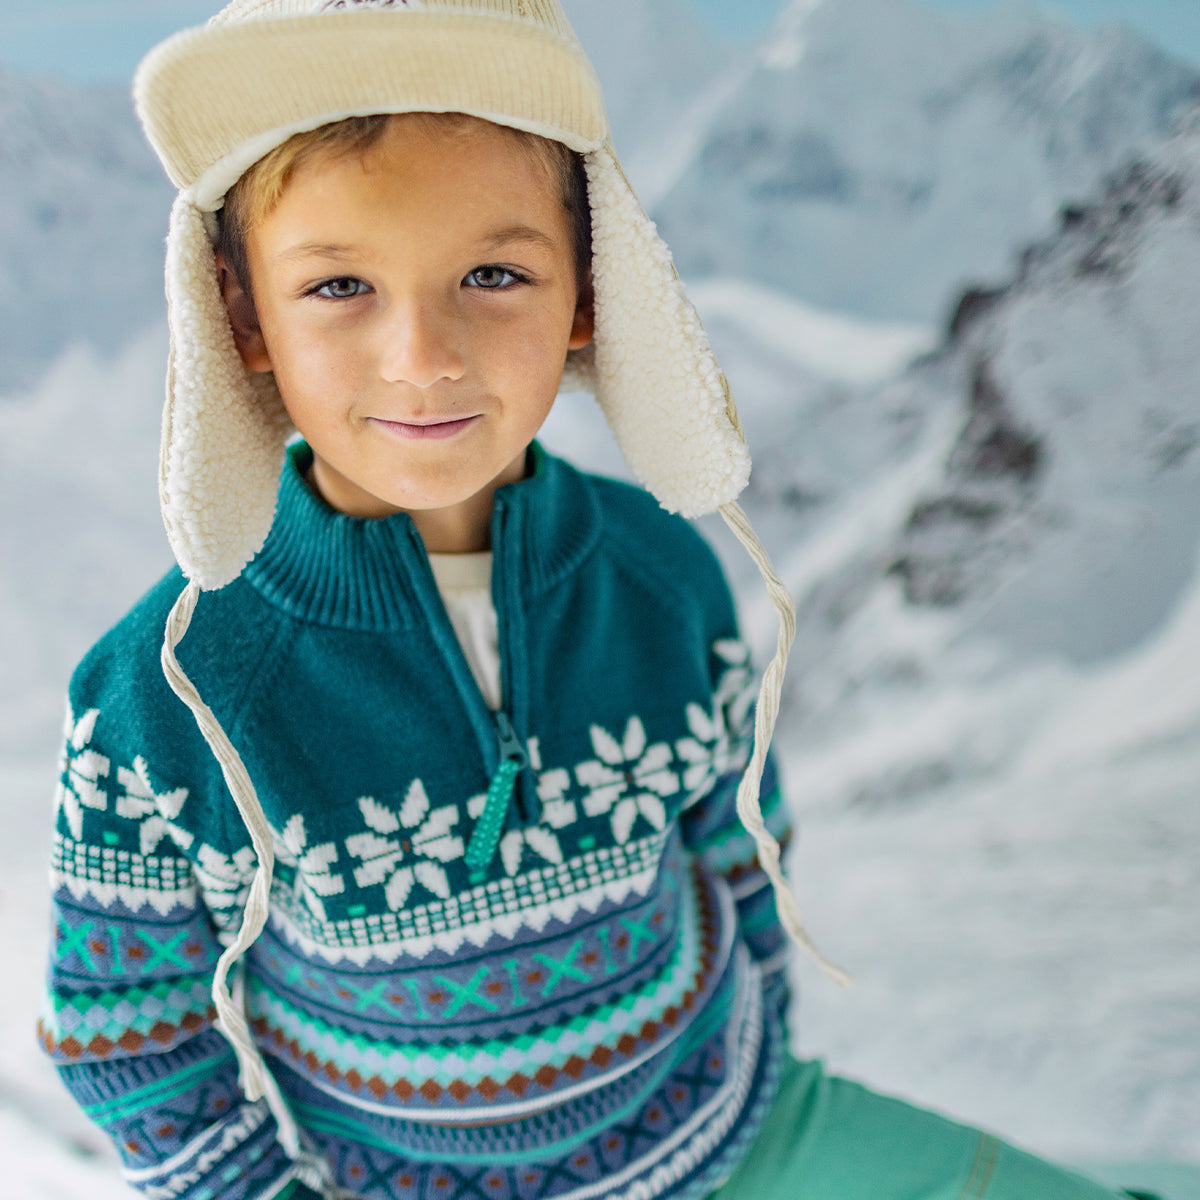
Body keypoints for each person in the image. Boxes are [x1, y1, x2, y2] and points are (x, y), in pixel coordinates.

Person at [38, 2, 1142, 1198]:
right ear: (244, 317)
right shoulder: (172, 688)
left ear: (587, 292)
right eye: (341, 284)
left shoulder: (656, 572)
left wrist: (753, 1043)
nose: (424, 354)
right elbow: (128, 1028)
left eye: (494, 274)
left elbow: (736, 839)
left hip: (740, 1135)